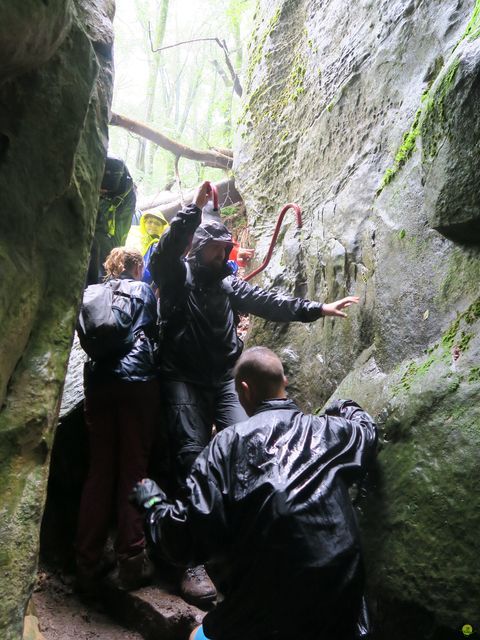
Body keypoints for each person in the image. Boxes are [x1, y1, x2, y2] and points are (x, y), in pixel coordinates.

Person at [148, 180, 359, 606]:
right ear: (198, 245)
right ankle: (192, 560)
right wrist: (191, 210)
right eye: (217, 246)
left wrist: (315, 309)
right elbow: (163, 253)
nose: (224, 253)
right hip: (182, 376)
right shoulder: (177, 276)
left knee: (252, 445)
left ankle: (245, 538)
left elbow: (266, 300)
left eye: (227, 247)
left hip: (225, 376)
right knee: (192, 456)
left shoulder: (226, 284)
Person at [132, 346, 377, 640]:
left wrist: (154, 504)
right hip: (342, 603)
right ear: (284, 381)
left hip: (272, 609)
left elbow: (184, 539)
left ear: (244, 391)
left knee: (199, 635)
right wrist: (343, 406)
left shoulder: (225, 447)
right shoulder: (325, 431)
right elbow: (367, 431)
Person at [76, 247, 160, 594]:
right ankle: (131, 558)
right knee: (133, 470)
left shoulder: (94, 294)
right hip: (136, 385)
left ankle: (87, 560)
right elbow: (154, 332)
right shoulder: (142, 290)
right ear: (136, 266)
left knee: (99, 472)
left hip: (99, 386)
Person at [87, 157, 137, 285]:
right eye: (100, 191)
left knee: (106, 251)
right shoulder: (95, 170)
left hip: (107, 236)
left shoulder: (127, 196)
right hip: (92, 225)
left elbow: (121, 232)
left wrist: (115, 257)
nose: (102, 193)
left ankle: (104, 283)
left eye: (104, 192)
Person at [126, 209, 169, 285]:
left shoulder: (162, 244)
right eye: (150, 222)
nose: (153, 225)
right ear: (144, 222)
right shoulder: (133, 233)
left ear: (162, 228)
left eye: (157, 224)